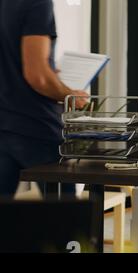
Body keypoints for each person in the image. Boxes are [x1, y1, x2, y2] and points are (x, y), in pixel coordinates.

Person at [0, 0, 88, 197]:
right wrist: (70, 95)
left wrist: (47, 72)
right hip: (35, 127)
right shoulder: (36, 3)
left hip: (4, 124)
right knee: (64, 221)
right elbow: (37, 76)